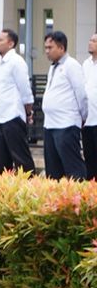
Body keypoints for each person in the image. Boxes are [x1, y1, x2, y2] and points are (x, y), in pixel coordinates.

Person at [40, 30, 87, 180]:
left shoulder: (71, 65)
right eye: (45, 48)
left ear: (61, 48)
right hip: (50, 124)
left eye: (50, 47)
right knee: (53, 169)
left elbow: (81, 94)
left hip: (66, 124)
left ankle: (81, 194)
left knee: (73, 166)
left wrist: (83, 117)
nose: (47, 51)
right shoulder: (53, 67)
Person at [0, 29, 35, 172]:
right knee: (1, 162)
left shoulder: (16, 62)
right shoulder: (1, 62)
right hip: (1, 118)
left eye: (0, 40)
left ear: (11, 44)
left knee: (21, 160)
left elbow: (25, 90)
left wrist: (28, 112)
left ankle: (31, 185)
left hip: (13, 117)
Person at [84, 34, 97, 180]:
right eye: (90, 40)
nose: (90, 43)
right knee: (89, 157)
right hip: (87, 120)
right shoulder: (85, 64)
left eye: (94, 41)